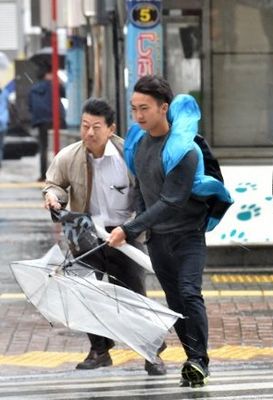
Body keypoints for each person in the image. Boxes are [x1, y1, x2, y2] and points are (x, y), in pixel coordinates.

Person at [107, 75, 231, 388]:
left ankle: (199, 361)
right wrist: (135, 222)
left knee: (190, 294)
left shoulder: (183, 150)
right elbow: (142, 190)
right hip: (158, 239)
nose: (138, 116)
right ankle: (192, 360)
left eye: (144, 108)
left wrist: (129, 228)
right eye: (134, 109)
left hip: (188, 235)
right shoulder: (138, 145)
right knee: (175, 302)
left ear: (164, 108)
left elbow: (172, 201)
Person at [42, 98, 167, 376]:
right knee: (87, 293)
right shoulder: (70, 155)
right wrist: (52, 196)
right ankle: (99, 350)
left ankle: (152, 351)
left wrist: (131, 228)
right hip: (83, 230)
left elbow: (148, 194)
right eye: (85, 126)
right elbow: (54, 184)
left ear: (111, 129)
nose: (89, 133)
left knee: (133, 295)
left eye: (96, 127)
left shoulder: (129, 155)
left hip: (124, 232)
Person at [28, 62, 66, 181]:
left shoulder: (33, 88)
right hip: (55, 119)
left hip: (41, 121)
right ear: (49, 74)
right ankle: (59, 173)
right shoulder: (54, 86)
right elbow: (65, 94)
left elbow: (29, 106)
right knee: (59, 146)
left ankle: (43, 174)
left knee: (44, 147)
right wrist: (60, 82)